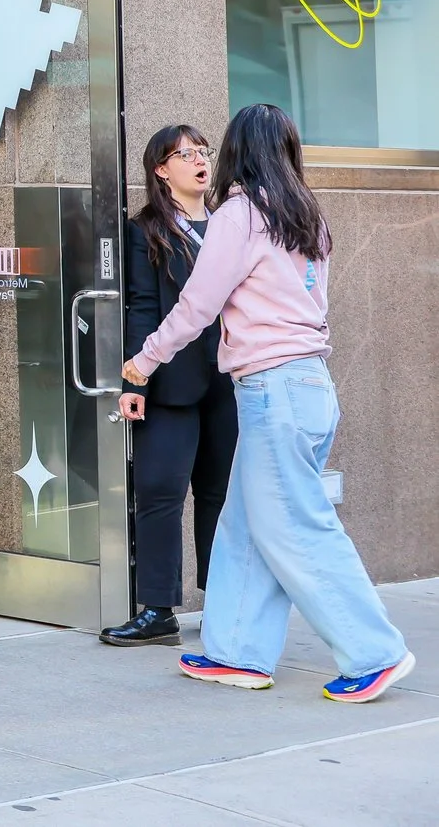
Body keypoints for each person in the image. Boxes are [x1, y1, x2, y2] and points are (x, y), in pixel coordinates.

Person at [124, 103, 415, 701]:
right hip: (308, 385)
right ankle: (237, 652)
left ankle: (374, 652)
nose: (207, 158)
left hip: (272, 389)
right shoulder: (307, 215)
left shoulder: (238, 215)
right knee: (245, 527)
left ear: (238, 152)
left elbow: (199, 304)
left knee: (296, 529)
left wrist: (144, 360)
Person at [103, 124, 236, 647]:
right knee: (159, 491)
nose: (201, 161)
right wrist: (135, 376)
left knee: (219, 495)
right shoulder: (146, 230)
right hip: (171, 382)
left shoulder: (231, 223)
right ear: (162, 168)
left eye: (205, 152)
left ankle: (222, 603)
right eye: (187, 154)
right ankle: (157, 610)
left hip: (229, 377)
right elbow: (142, 306)